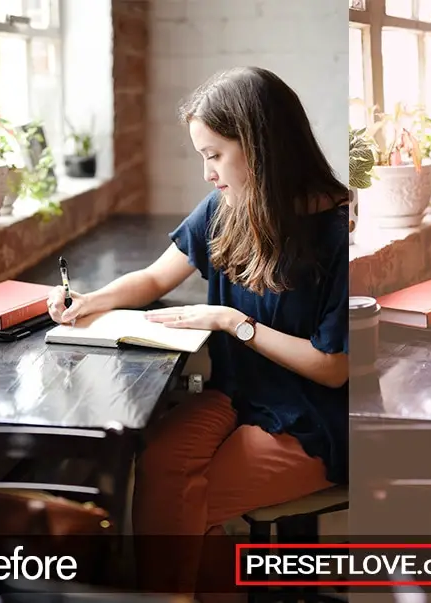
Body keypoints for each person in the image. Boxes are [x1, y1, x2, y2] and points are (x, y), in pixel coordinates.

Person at [47, 66, 349, 595]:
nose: (207, 173)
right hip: (236, 392)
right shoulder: (226, 207)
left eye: (214, 156)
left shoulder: (339, 234)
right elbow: (155, 277)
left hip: (314, 417)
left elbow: (332, 368)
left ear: (261, 146)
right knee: (159, 462)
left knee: (187, 505)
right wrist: (87, 300)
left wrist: (234, 322)